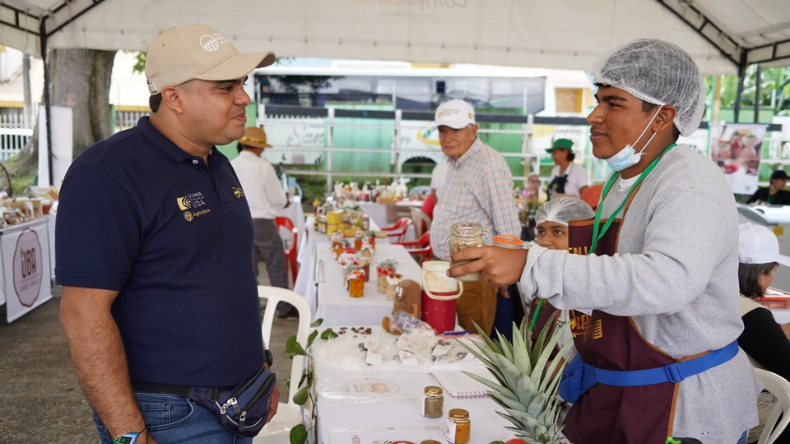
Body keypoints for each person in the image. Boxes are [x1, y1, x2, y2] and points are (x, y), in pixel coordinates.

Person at [448, 38, 759, 443]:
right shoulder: (623, 180)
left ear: (663, 116)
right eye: (598, 100)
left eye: (613, 103)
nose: (594, 116)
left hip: (680, 406)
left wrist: (531, 263)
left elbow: (667, 280)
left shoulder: (689, 180)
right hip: (616, 391)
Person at [57, 24, 279, 444]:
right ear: (174, 96)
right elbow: (83, 316)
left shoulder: (217, 161)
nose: (244, 97)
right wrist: (130, 435)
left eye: (243, 84)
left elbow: (226, 278)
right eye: (225, 87)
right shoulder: (108, 173)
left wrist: (259, 369)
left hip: (239, 400)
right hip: (172, 413)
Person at [429, 99, 520, 335]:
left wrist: (502, 276)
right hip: (450, 272)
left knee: (467, 350)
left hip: (473, 279)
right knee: (446, 344)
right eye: (442, 130)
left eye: (455, 130)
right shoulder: (457, 162)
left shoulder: (487, 165)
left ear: (473, 130)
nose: (447, 137)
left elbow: (509, 229)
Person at [231, 126, 293, 317]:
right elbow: (277, 199)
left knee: (248, 268)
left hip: (239, 222)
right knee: (275, 264)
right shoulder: (263, 167)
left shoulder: (230, 165)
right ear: (258, 148)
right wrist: (285, 201)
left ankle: (252, 307)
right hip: (262, 224)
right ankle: (282, 308)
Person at [737, 223, 790, 444]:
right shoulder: (752, 316)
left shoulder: (721, 302)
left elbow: (763, 339)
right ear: (764, 273)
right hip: (751, 418)